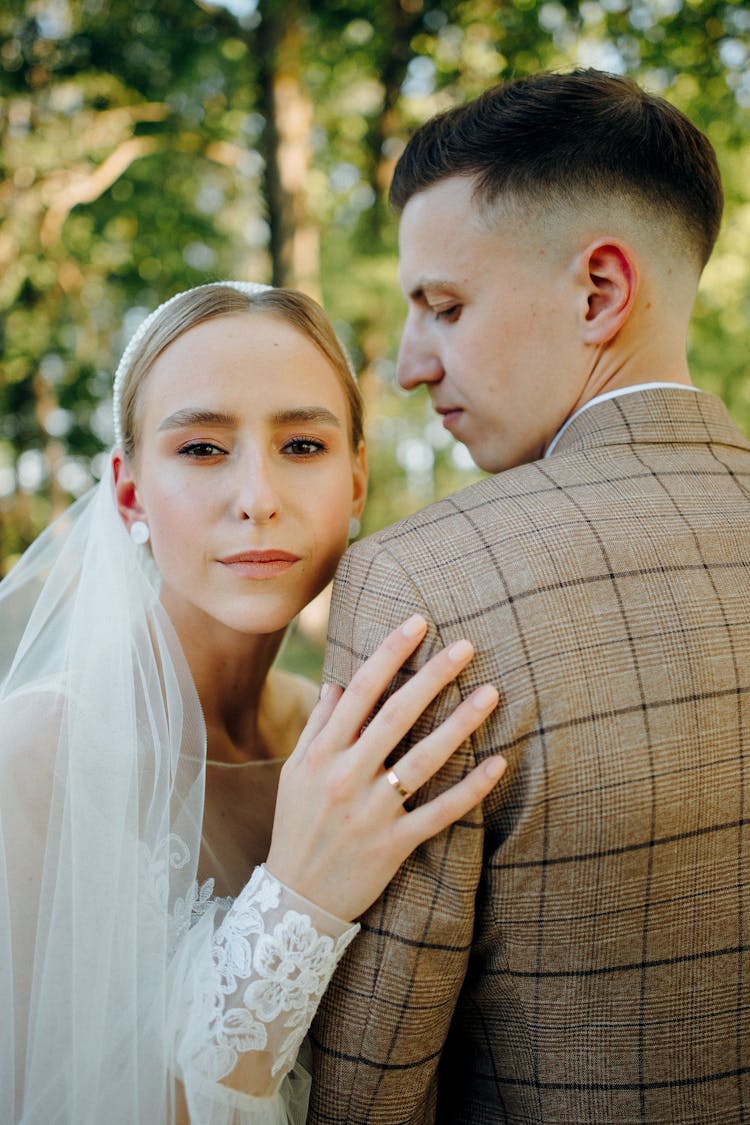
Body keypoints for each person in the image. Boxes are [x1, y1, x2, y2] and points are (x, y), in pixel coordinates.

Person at [309, 69, 750, 1123]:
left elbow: (368, 1090)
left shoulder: (428, 584)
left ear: (599, 291)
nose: (412, 365)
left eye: (445, 307)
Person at [0, 280, 507, 1125]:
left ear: (355, 479)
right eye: (202, 448)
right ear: (128, 492)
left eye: (301, 445)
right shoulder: (35, 756)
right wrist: (300, 899)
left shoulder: (334, 731)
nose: (258, 496)